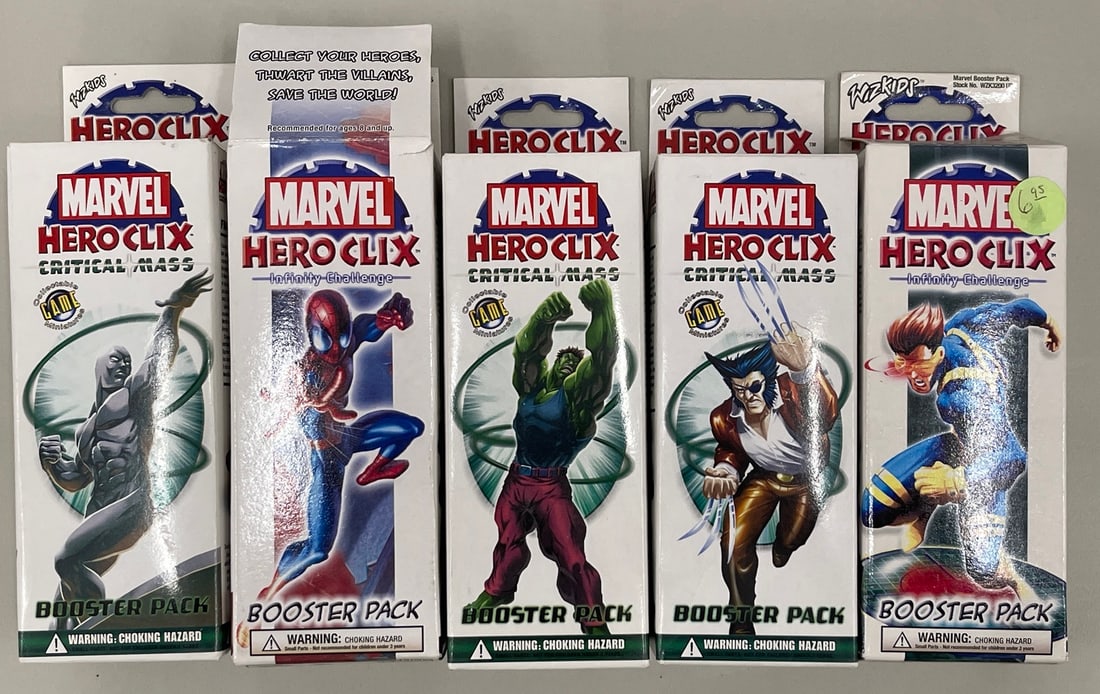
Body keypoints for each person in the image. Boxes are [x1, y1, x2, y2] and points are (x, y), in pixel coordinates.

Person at [38, 271, 213, 629]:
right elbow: (76, 478)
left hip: (132, 503)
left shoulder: (133, 398)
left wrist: (172, 311)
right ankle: (74, 640)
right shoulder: (84, 431)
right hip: (100, 513)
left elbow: (157, 358)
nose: (123, 365)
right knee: (61, 610)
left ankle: (97, 629)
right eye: (116, 359)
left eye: (127, 362)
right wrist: (51, 463)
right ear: (99, 366)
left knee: (67, 560)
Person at [861, 299, 1062, 592]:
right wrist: (1049, 324)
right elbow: (1015, 309)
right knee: (872, 507)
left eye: (919, 363)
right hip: (957, 446)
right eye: (904, 363)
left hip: (988, 465)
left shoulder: (964, 396)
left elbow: (1011, 455)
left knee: (985, 572)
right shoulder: (962, 326)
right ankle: (925, 506)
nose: (913, 373)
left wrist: (957, 482)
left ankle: (1013, 578)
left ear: (939, 352)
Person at [465, 279, 618, 635]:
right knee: (507, 541)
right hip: (517, 480)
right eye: (564, 359)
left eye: (574, 364)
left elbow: (601, 363)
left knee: (570, 555)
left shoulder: (577, 401)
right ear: (553, 363)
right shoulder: (530, 391)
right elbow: (526, 355)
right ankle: (498, 592)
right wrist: (543, 319)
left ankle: (593, 618)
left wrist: (603, 309)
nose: (569, 365)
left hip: (551, 488)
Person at [258, 289, 423, 600]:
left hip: (348, 439)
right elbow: (302, 414)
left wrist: (391, 317)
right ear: (312, 333)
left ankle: (374, 470)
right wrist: (317, 407)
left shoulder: (349, 341)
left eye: (342, 337)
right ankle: (271, 591)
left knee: (410, 428)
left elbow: (370, 326)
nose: (335, 349)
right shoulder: (308, 370)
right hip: (327, 465)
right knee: (317, 550)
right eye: (326, 340)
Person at [702, 325, 838, 635]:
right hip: (762, 478)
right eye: (738, 389)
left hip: (805, 481)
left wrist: (804, 371)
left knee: (792, 538)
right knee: (733, 542)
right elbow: (730, 450)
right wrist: (725, 471)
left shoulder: (791, 391)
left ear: (768, 381)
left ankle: (785, 545)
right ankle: (741, 617)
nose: (746, 396)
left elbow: (825, 417)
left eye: (753, 387)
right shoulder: (723, 416)